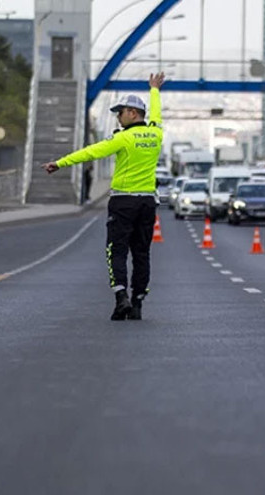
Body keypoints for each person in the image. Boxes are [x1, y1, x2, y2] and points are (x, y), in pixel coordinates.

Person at [43, 72, 165, 321]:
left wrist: (60, 163)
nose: (118, 118)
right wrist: (154, 89)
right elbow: (157, 115)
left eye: (120, 113)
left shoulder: (123, 138)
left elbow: (91, 152)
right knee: (141, 253)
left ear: (132, 113)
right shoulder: (156, 134)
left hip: (123, 202)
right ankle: (139, 302)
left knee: (116, 251)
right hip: (147, 203)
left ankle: (122, 298)